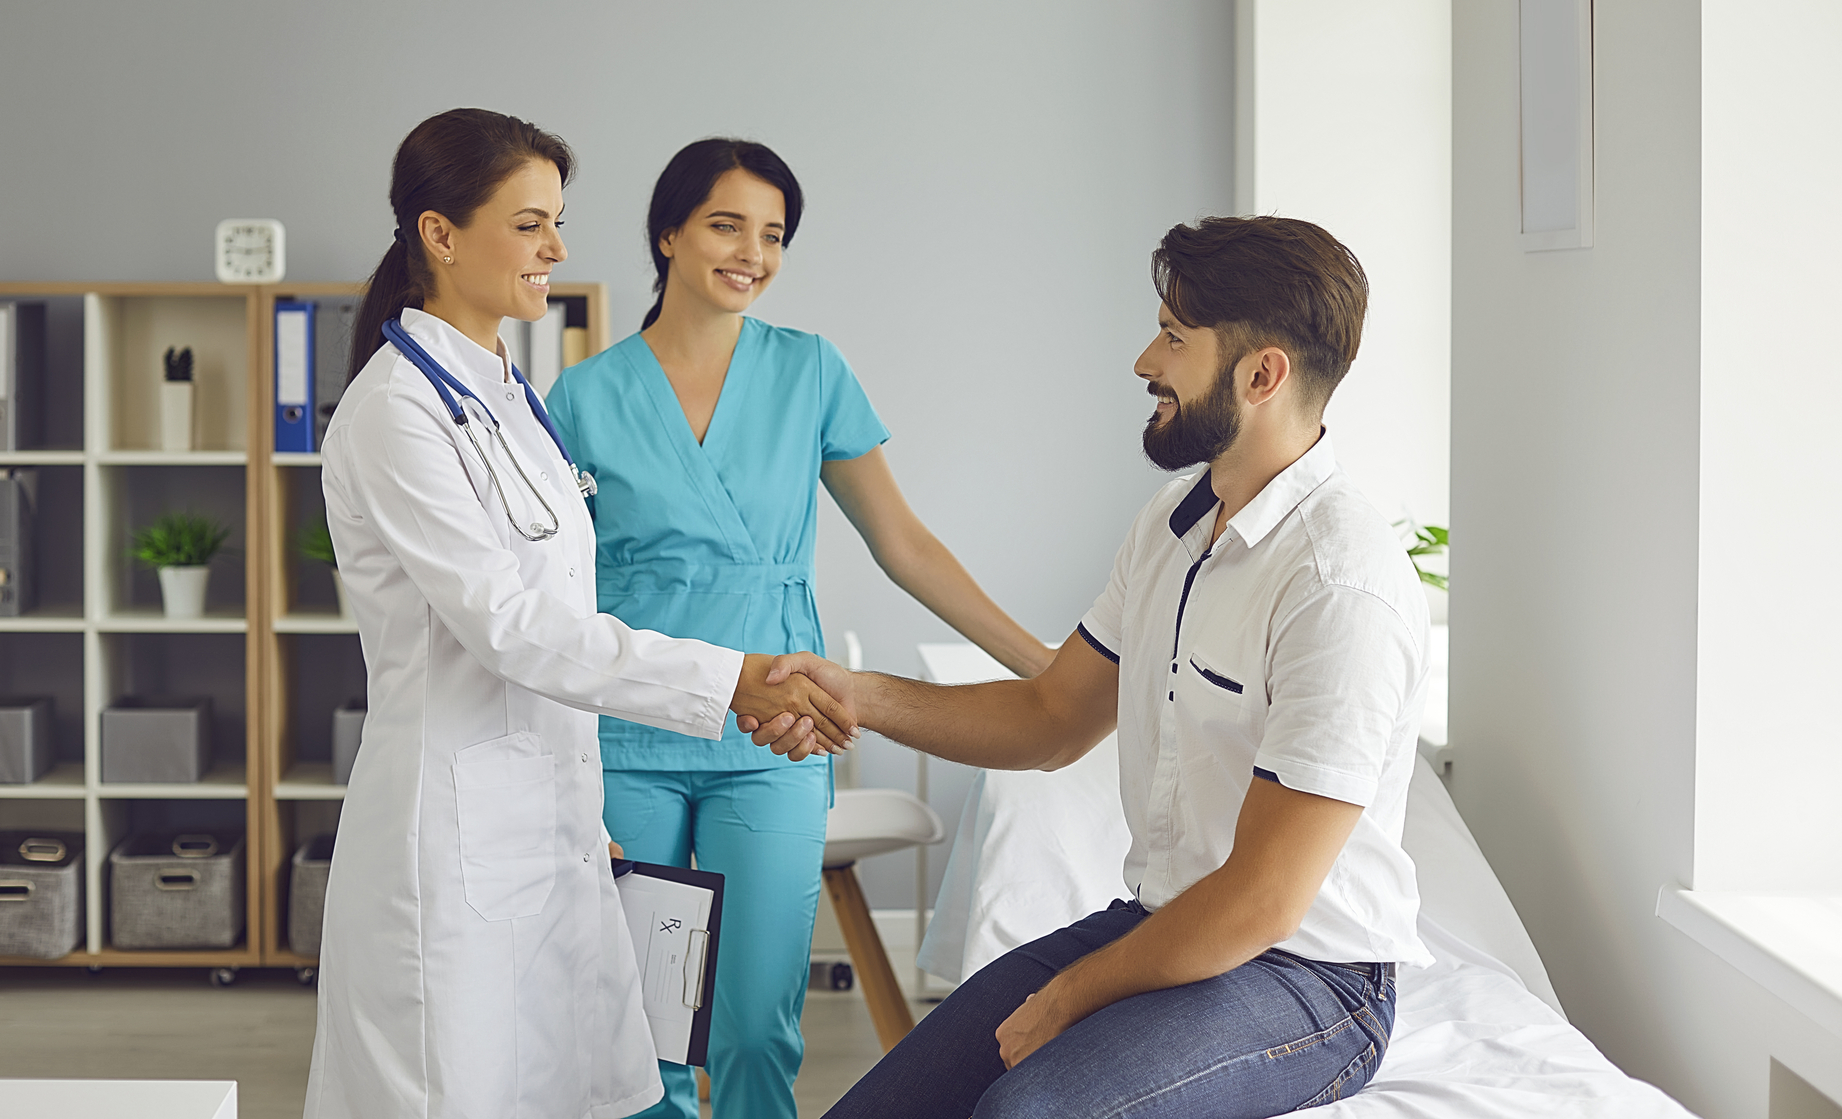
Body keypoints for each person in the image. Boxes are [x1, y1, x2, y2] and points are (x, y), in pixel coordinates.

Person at [754, 215, 1432, 1119]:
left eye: (1174, 336)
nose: (1144, 359)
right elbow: (1051, 717)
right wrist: (863, 697)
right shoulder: (1171, 523)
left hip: (1307, 978)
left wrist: (1069, 996)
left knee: (1024, 1110)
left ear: (1262, 373)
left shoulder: (1339, 582)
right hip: (1165, 923)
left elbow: (1262, 899)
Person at [302, 110, 850, 1119]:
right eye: (529, 224)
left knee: (592, 1081)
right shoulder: (394, 413)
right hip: (451, 848)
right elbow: (510, 626)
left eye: (557, 221)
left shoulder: (511, 399)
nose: (556, 247)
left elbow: (561, 607)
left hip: (546, 824)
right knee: (455, 1091)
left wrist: (570, 802)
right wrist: (730, 678)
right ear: (439, 232)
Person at [545, 138, 1050, 1119]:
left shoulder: (809, 370)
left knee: (753, 1024)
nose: (753, 252)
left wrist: (1048, 668)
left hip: (776, 730)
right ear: (669, 232)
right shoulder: (584, 394)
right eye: (726, 224)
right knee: (640, 1030)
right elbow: (554, 599)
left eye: (773, 234)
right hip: (626, 738)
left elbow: (902, 544)